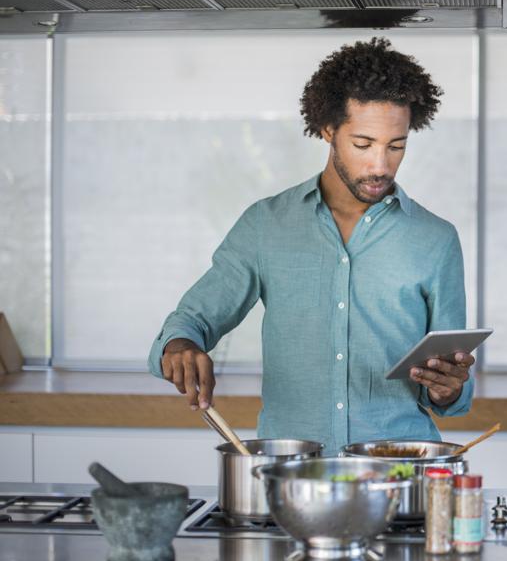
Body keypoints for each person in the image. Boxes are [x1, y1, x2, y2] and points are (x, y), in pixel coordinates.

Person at [147, 38, 475, 451]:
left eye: (396, 146)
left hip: (401, 473)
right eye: (362, 145)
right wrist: (180, 345)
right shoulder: (267, 225)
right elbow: (192, 320)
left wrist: (448, 388)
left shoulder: (436, 240)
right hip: (292, 473)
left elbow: (454, 394)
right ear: (327, 130)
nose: (380, 164)